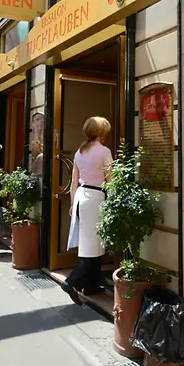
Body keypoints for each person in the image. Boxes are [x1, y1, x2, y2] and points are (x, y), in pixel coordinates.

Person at [63, 116, 113, 305]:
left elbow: (73, 182)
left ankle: (91, 285)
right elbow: (111, 179)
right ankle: (72, 281)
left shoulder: (79, 152)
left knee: (91, 242)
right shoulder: (104, 151)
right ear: (101, 132)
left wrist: (72, 203)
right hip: (95, 197)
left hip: (81, 197)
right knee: (92, 245)